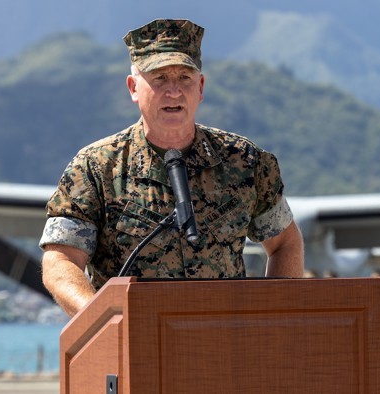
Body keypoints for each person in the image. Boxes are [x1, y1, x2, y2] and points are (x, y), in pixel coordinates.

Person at [39, 19, 304, 316]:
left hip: (225, 346)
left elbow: (286, 243)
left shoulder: (245, 162)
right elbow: (60, 261)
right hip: (134, 347)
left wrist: (275, 315)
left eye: (185, 77)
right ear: (133, 88)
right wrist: (99, 321)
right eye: (160, 78)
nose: (174, 91)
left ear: (200, 87)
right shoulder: (95, 169)